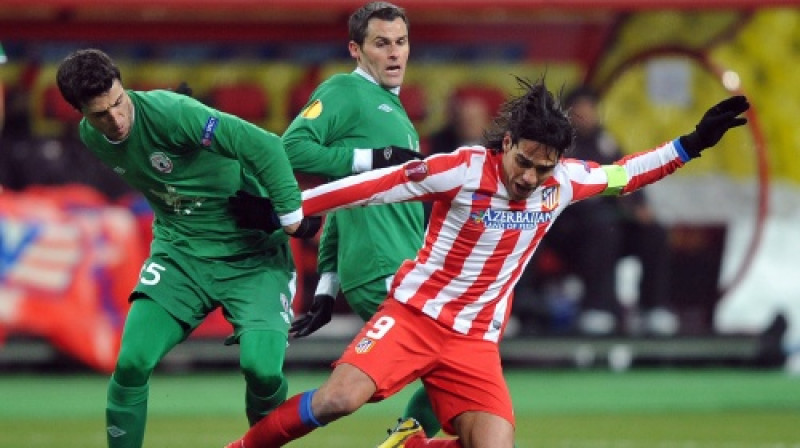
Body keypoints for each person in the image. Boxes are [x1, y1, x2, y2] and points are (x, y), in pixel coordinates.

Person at [224, 77, 749, 448]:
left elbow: (625, 175)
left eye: (542, 169)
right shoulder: (461, 170)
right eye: (523, 162)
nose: (528, 178)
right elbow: (370, 187)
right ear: (505, 144)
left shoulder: (563, 182)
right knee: (340, 399)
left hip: (473, 341)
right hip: (411, 318)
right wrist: (282, 211)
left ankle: (413, 446)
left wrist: (692, 143)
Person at [55, 48, 320, 448]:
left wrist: (290, 215)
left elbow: (264, 145)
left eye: (118, 103)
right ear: (80, 113)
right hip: (181, 256)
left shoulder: (171, 113)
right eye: (100, 114)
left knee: (262, 371)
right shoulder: (93, 138)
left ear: (123, 86)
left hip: (252, 256)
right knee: (130, 363)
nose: (115, 119)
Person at [279, 1, 439, 438]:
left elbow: (341, 201)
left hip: (405, 266)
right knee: (458, 362)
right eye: (381, 43)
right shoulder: (343, 92)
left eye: (401, 43)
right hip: (381, 267)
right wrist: (375, 158)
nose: (394, 53)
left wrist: (327, 289)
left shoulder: (394, 108)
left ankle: (405, 437)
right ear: (356, 49)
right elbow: (290, 148)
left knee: (452, 372)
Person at [524, 85, 678, 336]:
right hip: (568, 228)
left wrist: (638, 207)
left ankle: (653, 308)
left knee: (654, 232)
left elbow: (628, 178)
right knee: (602, 227)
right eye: (579, 109)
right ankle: (597, 308)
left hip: (611, 222)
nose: (586, 114)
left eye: (590, 108)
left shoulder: (607, 143)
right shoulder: (556, 145)